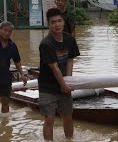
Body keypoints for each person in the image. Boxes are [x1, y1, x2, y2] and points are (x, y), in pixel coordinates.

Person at [38, 8, 80, 140]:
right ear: (48, 24)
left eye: (59, 21)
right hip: (47, 86)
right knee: (49, 119)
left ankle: (69, 139)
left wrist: (68, 81)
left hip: (64, 83)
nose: (57, 25)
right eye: (53, 22)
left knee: (67, 117)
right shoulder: (46, 44)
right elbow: (55, 68)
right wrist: (63, 85)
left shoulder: (69, 39)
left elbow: (69, 60)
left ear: (63, 22)